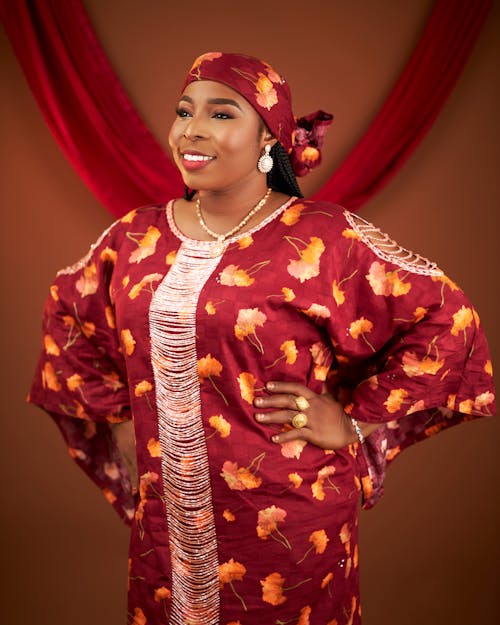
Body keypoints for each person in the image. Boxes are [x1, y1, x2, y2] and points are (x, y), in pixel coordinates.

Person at [28, 52, 495, 625]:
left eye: (221, 115)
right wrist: (128, 425)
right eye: (183, 111)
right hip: (167, 534)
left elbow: (448, 319)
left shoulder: (322, 237)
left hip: (291, 533)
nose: (192, 130)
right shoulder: (135, 237)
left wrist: (353, 421)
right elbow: (69, 317)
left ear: (268, 140)